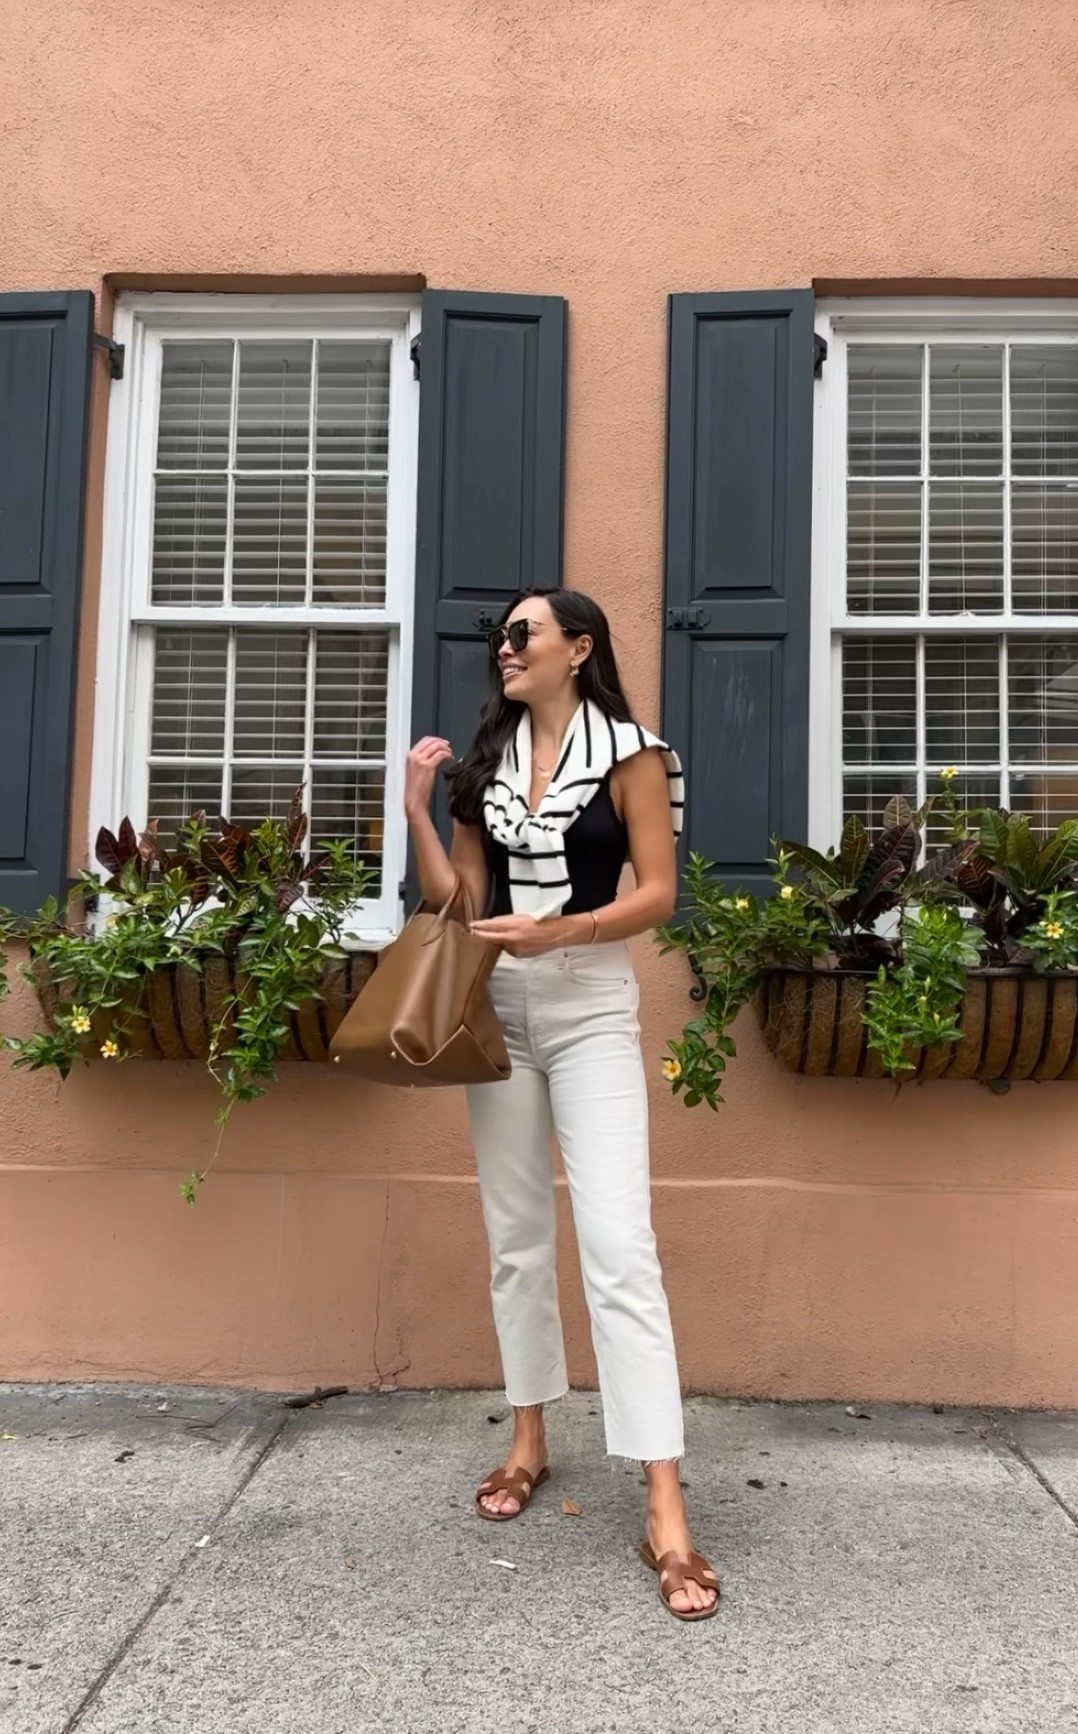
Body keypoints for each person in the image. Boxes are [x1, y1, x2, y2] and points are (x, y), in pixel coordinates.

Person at [404, 588, 719, 1622]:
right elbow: (459, 902)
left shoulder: (635, 753)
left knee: (621, 1245)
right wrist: (417, 808)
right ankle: (529, 1436)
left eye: (522, 632)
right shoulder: (482, 767)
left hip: (586, 1004)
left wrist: (565, 933)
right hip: (496, 1006)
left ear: (577, 648)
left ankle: (663, 1505)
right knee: (516, 1235)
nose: (504, 647)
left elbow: (658, 895)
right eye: (501, 634)